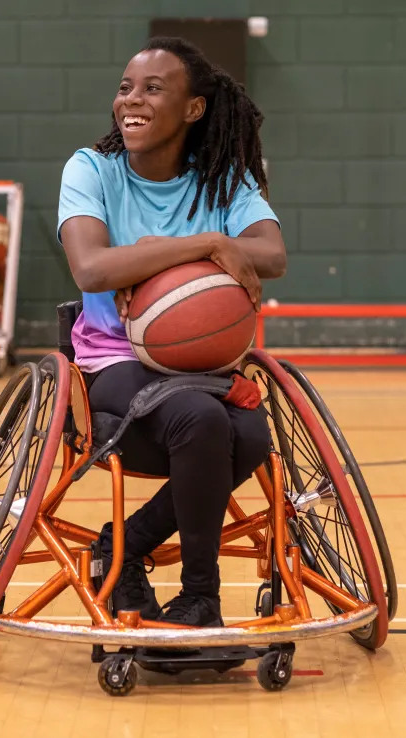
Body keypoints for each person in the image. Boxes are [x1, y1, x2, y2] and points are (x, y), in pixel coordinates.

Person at [57, 36, 287, 628]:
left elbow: (272, 253)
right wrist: (202, 245)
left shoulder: (223, 181)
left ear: (194, 108)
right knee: (204, 420)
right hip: (114, 365)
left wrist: (177, 250)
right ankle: (201, 598)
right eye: (126, 87)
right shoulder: (92, 169)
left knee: (252, 434)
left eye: (153, 89)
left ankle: (127, 544)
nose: (131, 100)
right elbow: (91, 268)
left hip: (203, 367)